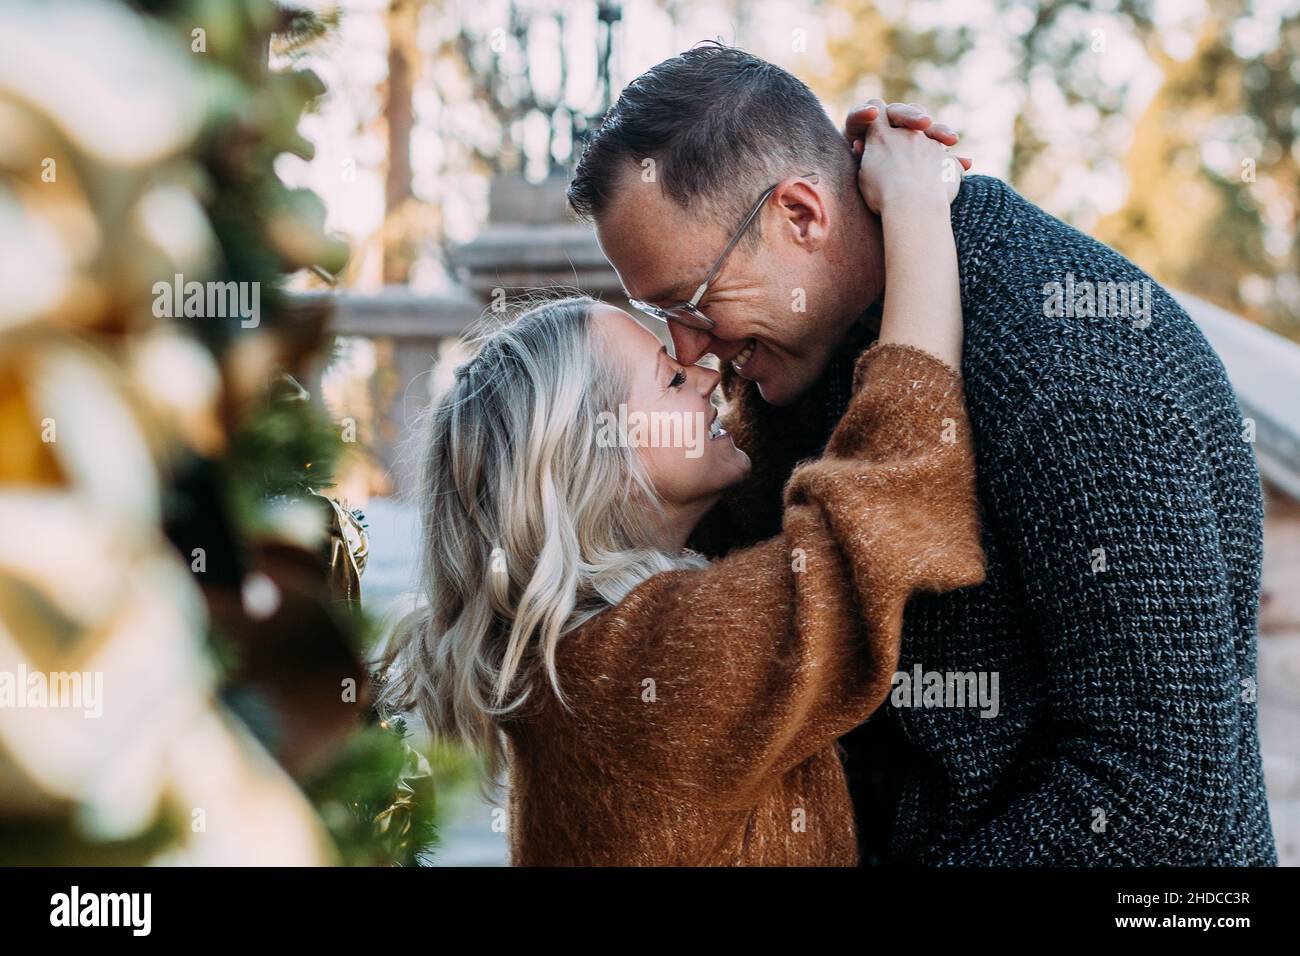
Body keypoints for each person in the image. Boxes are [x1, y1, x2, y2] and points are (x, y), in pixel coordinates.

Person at [565, 42, 1277, 866]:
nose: (692, 351)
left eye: (691, 302)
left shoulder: (1071, 368)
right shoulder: (801, 359)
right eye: (660, 319)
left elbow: (1163, 796)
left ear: (801, 215)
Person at [379, 111, 982, 865]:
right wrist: (917, 213)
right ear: (595, 463)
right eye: (669, 376)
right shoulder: (644, 669)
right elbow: (879, 512)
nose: (705, 371)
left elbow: (754, 481)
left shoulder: (574, 658)